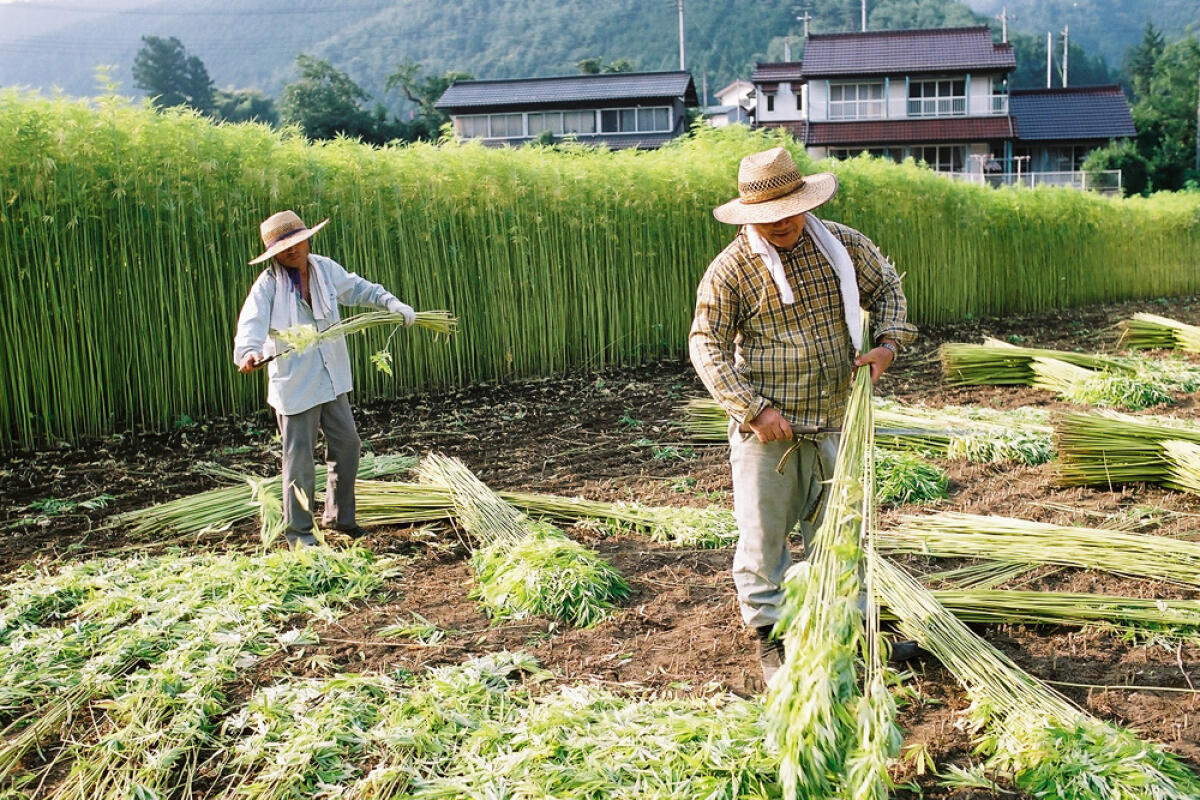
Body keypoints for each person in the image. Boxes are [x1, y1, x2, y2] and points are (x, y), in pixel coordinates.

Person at [688, 147, 918, 682]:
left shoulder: (841, 245)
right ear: (751, 216)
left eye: (790, 209)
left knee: (841, 533)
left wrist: (886, 345)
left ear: (804, 202)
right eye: (768, 216)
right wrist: (753, 410)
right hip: (770, 433)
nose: (782, 223)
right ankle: (772, 638)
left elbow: (887, 289)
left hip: (839, 418)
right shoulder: (731, 270)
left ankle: (853, 632)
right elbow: (707, 345)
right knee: (764, 538)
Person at [233, 210, 416, 547]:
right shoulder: (268, 284)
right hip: (296, 385)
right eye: (283, 247)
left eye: (297, 241)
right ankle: (300, 533)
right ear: (274, 253)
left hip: (331, 376)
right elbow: (251, 326)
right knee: (299, 460)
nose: (292, 250)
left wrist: (390, 302)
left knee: (348, 445)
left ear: (307, 238)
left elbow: (359, 289)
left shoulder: (324, 269)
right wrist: (249, 354)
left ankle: (340, 518)